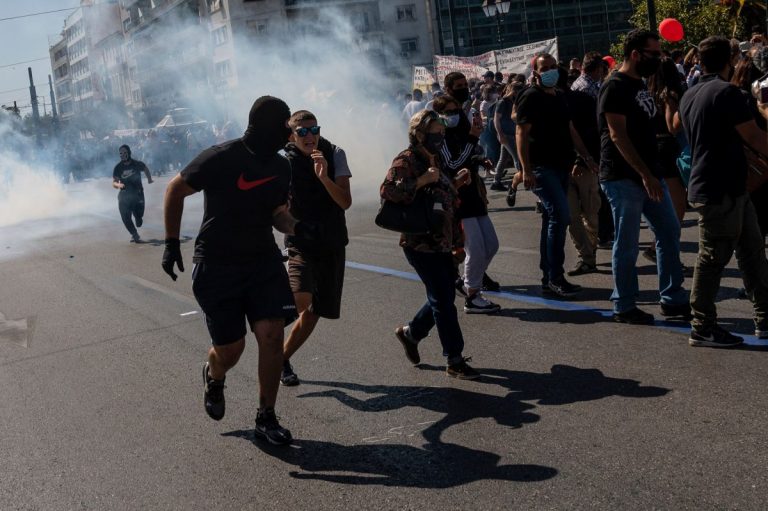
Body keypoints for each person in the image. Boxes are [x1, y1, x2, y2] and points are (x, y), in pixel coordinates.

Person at [161, 96, 307, 445]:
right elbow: (174, 189)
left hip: (262, 262)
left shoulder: (282, 166)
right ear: (267, 126)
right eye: (284, 126)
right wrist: (170, 243)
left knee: (272, 337)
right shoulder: (221, 156)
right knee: (231, 350)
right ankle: (214, 374)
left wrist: (300, 228)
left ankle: (266, 417)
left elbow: (277, 214)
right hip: (217, 264)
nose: (288, 134)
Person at [679, 36, 768, 347]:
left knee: (753, 252)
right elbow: (755, 137)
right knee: (712, 259)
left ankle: (764, 317)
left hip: (723, 185)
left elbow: (682, 126)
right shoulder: (728, 92)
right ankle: (702, 326)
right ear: (730, 59)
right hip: (719, 189)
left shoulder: (690, 93)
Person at [598, 29, 690, 325]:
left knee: (669, 232)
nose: (659, 59)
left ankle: (672, 299)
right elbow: (617, 135)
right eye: (654, 54)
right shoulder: (614, 86)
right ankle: (623, 304)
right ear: (636, 54)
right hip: (623, 177)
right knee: (626, 242)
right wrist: (645, 175)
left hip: (650, 174)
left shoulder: (640, 83)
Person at [381, 109, 479, 379]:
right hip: (420, 243)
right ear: (420, 134)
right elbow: (388, 190)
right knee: (443, 301)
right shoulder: (407, 160)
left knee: (443, 295)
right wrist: (422, 179)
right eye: (435, 133)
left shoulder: (436, 158)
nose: (440, 137)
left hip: (443, 240)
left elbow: (442, 196)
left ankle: (411, 334)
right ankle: (454, 359)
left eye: (442, 132)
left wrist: (455, 182)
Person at [515, 54, 598, 298]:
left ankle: (548, 277)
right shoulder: (530, 97)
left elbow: (571, 129)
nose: (551, 71)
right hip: (542, 168)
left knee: (552, 219)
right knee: (561, 216)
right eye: (545, 68)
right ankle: (555, 277)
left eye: (553, 67)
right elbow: (521, 133)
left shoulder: (560, 96)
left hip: (561, 166)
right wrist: (526, 169)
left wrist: (586, 156)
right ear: (536, 72)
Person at [280, 110, 352, 386]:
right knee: (299, 299)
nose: (310, 136)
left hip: (332, 241)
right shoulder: (283, 162)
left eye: (314, 130)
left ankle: (281, 358)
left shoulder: (335, 153)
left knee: (314, 311)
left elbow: (345, 202)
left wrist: (324, 177)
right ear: (292, 135)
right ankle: (268, 332)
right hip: (301, 243)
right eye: (303, 132)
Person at [433, 95, 501, 313]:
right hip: (457, 196)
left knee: (491, 245)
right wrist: (472, 139)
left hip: (473, 194)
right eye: (448, 112)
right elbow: (452, 164)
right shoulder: (439, 138)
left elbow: (469, 155)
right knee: (477, 249)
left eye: (456, 110)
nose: (454, 115)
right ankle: (472, 295)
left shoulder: (463, 130)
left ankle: (466, 282)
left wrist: (480, 159)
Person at [112, 144, 153, 243]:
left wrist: (149, 179)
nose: (123, 155)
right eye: (121, 153)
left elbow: (145, 168)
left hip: (137, 194)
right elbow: (114, 182)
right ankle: (134, 234)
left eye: (125, 153)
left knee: (139, 218)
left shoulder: (136, 164)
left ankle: (138, 217)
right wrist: (118, 185)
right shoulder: (118, 167)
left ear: (129, 153)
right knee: (125, 216)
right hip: (124, 195)